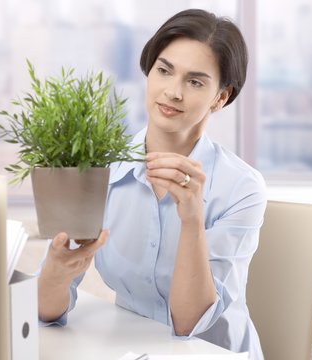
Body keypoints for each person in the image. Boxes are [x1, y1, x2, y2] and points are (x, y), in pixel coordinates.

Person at [37, 8, 266, 359]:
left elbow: (189, 325)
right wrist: (56, 271)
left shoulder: (241, 188)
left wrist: (191, 219)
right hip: (132, 349)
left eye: (195, 81)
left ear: (220, 97)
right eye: (163, 70)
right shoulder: (102, 168)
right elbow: (46, 312)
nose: (172, 92)